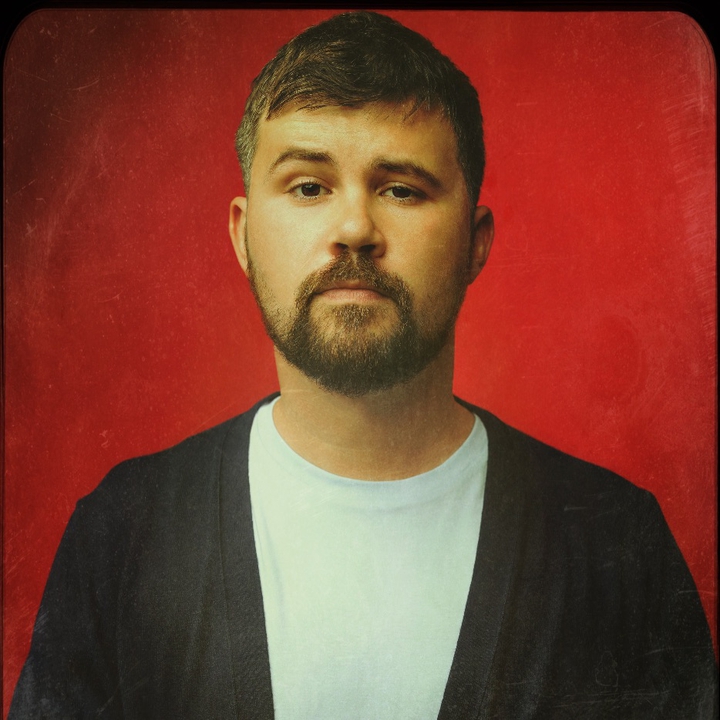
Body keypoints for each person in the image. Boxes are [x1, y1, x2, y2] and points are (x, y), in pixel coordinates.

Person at [9, 11, 716, 720]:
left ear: (474, 242)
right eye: (308, 187)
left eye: (401, 189)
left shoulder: (617, 544)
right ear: (243, 236)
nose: (354, 229)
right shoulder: (123, 533)